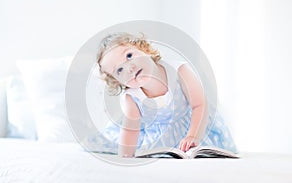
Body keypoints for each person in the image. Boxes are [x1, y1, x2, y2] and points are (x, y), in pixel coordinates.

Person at [89, 32, 237, 157]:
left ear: (144, 49)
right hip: (160, 137)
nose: (129, 68)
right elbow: (130, 131)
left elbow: (200, 105)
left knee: (201, 153)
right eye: (119, 70)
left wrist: (193, 136)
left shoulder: (179, 71)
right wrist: (126, 158)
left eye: (129, 56)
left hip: (195, 126)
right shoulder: (131, 97)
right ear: (118, 81)